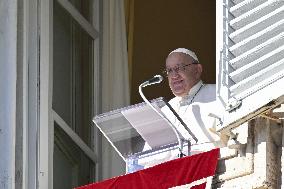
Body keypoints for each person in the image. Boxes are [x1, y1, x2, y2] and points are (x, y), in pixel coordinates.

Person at [163, 48, 225, 153]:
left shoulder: (219, 95)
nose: (174, 75)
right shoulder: (165, 110)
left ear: (197, 70)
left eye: (179, 68)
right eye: (169, 70)